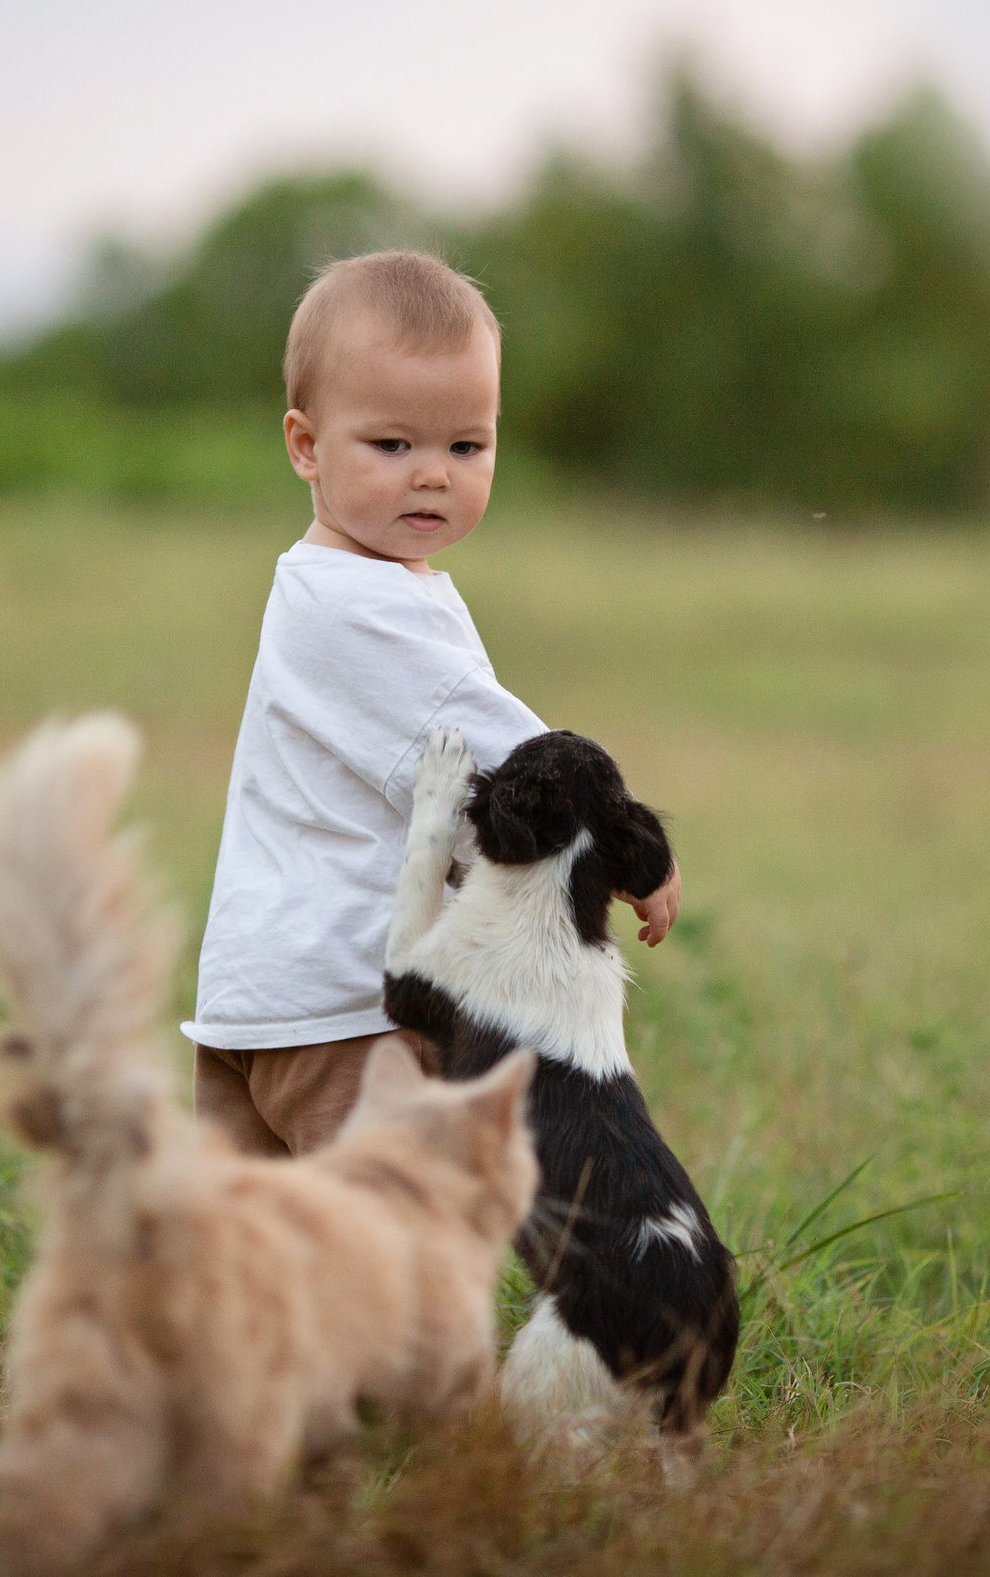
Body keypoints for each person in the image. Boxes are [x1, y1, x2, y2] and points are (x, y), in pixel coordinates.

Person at [184, 250, 682, 1155]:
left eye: (466, 446)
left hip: (265, 1001)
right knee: (395, 1225)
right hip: (354, 1012)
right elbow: (505, 760)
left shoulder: (330, 587)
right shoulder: (359, 605)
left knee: (252, 1235)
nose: (433, 474)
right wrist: (622, 840)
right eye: (393, 445)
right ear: (305, 445)